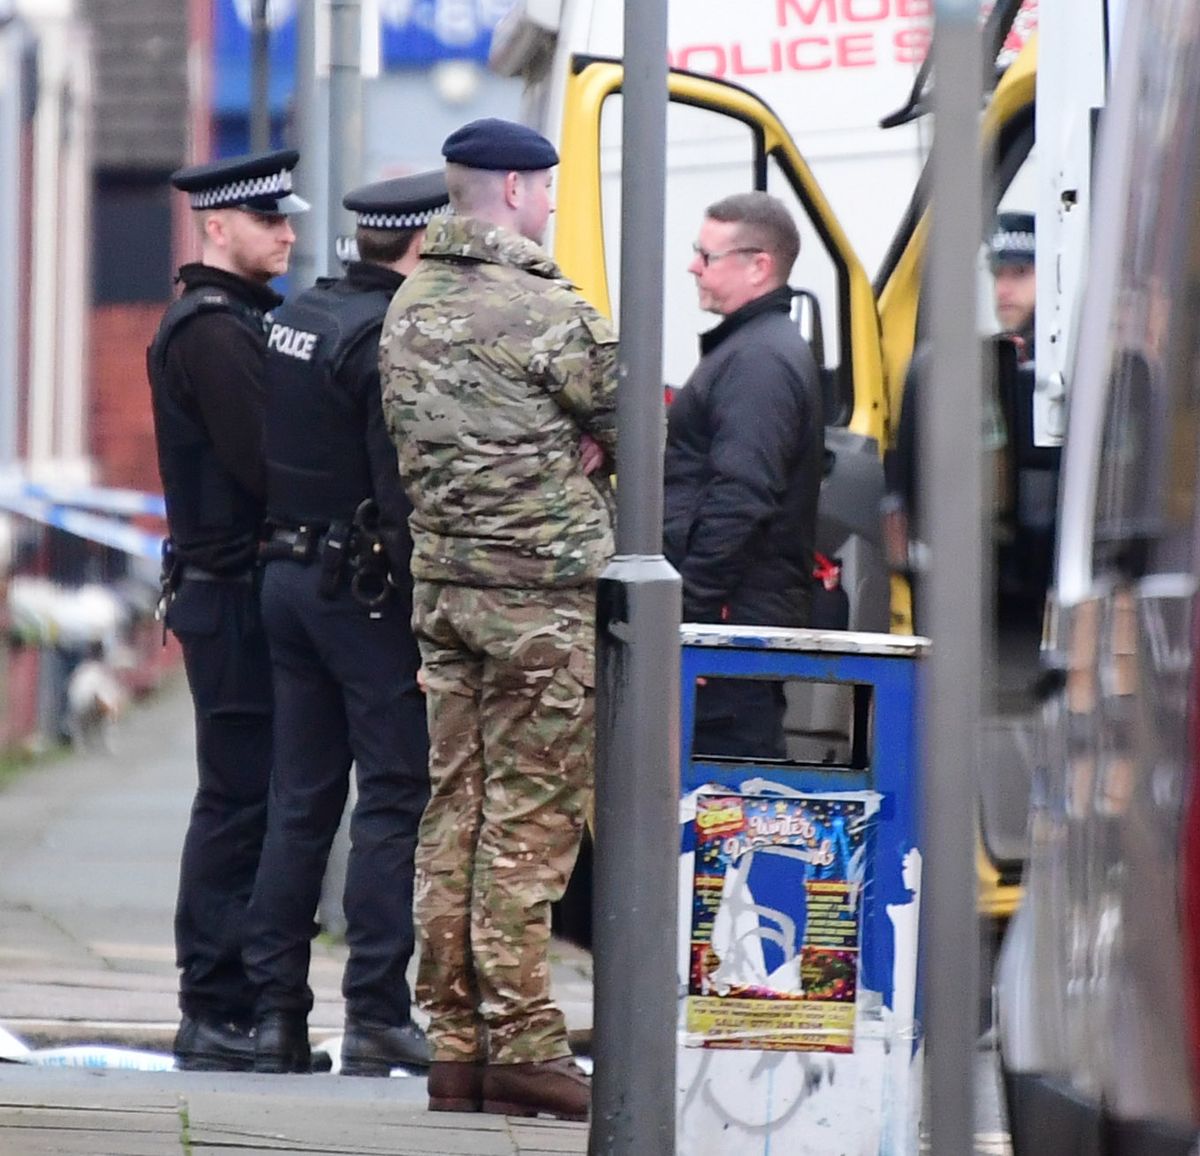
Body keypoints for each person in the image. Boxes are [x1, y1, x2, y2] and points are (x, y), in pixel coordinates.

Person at [378, 117, 617, 1122]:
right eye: (549, 190)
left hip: (446, 593)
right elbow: (632, 424)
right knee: (530, 818)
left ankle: (458, 1041)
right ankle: (523, 1038)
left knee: (455, 811)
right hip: (542, 602)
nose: (552, 206)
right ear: (517, 188)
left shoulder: (410, 303)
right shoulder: (545, 308)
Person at [243, 172, 445, 1075]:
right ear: (420, 244)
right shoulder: (385, 336)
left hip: (284, 575)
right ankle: (374, 1011)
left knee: (300, 800)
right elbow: (398, 495)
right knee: (395, 794)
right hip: (358, 592)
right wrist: (423, 601)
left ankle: (274, 1017)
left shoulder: (301, 315)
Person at [147, 148, 308, 1071]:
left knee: (250, 797)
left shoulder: (238, 320)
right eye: (268, 221)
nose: (286, 233)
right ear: (217, 227)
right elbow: (267, 465)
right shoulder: (213, 330)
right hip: (232, 594)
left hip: (231, 593)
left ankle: (229, 1001)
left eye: (287, 218)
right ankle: (214, 1005)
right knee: (240, 802)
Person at [663, 191, 824, 760]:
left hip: (730, 630)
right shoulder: (751, 350)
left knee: (729, 796)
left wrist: (691, 618)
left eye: (705, 256)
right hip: (731, 624)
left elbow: (742, 497)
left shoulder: (759, 361)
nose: (692, 267)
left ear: (759, 265)